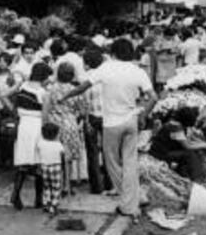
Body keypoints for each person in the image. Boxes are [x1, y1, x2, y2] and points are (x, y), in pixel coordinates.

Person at [68, 39, 156, 219]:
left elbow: (83, 87)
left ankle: (129, 204)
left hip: (111, 123)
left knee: (112, 164)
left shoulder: (106, 68)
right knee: (130, 162)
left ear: (113, 53)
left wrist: (64, 96)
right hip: (131, 120)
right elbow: (153, 98)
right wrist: (143, 115)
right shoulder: (138, 71)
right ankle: (137, 197)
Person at [11, 62, 52, 210]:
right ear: (44, 76)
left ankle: (16, 194)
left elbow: (9, 99)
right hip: (36, 125)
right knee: (39, 161)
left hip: (23, 125)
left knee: (23, 160)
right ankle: (38, 199)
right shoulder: (43, 93)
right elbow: (45, 116)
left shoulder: (22, 87)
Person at [42, 62, 87, 194]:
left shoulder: (51, 89)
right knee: (68, 157)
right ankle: (67, 185)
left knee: (55, 156)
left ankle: (56, 184)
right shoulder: (75, 90)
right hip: (70, 123)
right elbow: (82, 111)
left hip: (54, 124)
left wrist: (44, 124)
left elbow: (46, 108)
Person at [149, 108, 206, 183]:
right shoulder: (176, 127)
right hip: (161, 153)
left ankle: (192, 173)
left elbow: (187, 141)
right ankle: (198, 178)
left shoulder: (174, 124)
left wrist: (203, 144)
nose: (197, 120)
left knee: (195, 151)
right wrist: (204, 145)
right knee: (189, 154)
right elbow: (187, 146)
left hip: (163, 150)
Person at [82, 48, 111, 194]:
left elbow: (85, 103)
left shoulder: (86, 78)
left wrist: (85, 120)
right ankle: (110, 183)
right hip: (108, 116)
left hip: (92, 117)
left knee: (92, 152)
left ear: (87, 63)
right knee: (108, 151)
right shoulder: (108, 76)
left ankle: (96, 186)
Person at [36, 122, 66, 216]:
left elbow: (38, 151)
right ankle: (54, 205)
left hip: (44, 166)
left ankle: (46, 203)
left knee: (46, 186)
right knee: (56, 187)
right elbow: (63, 154)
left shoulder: (41, 143)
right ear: (56, 134)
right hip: (56, 167)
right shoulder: (58, 145)